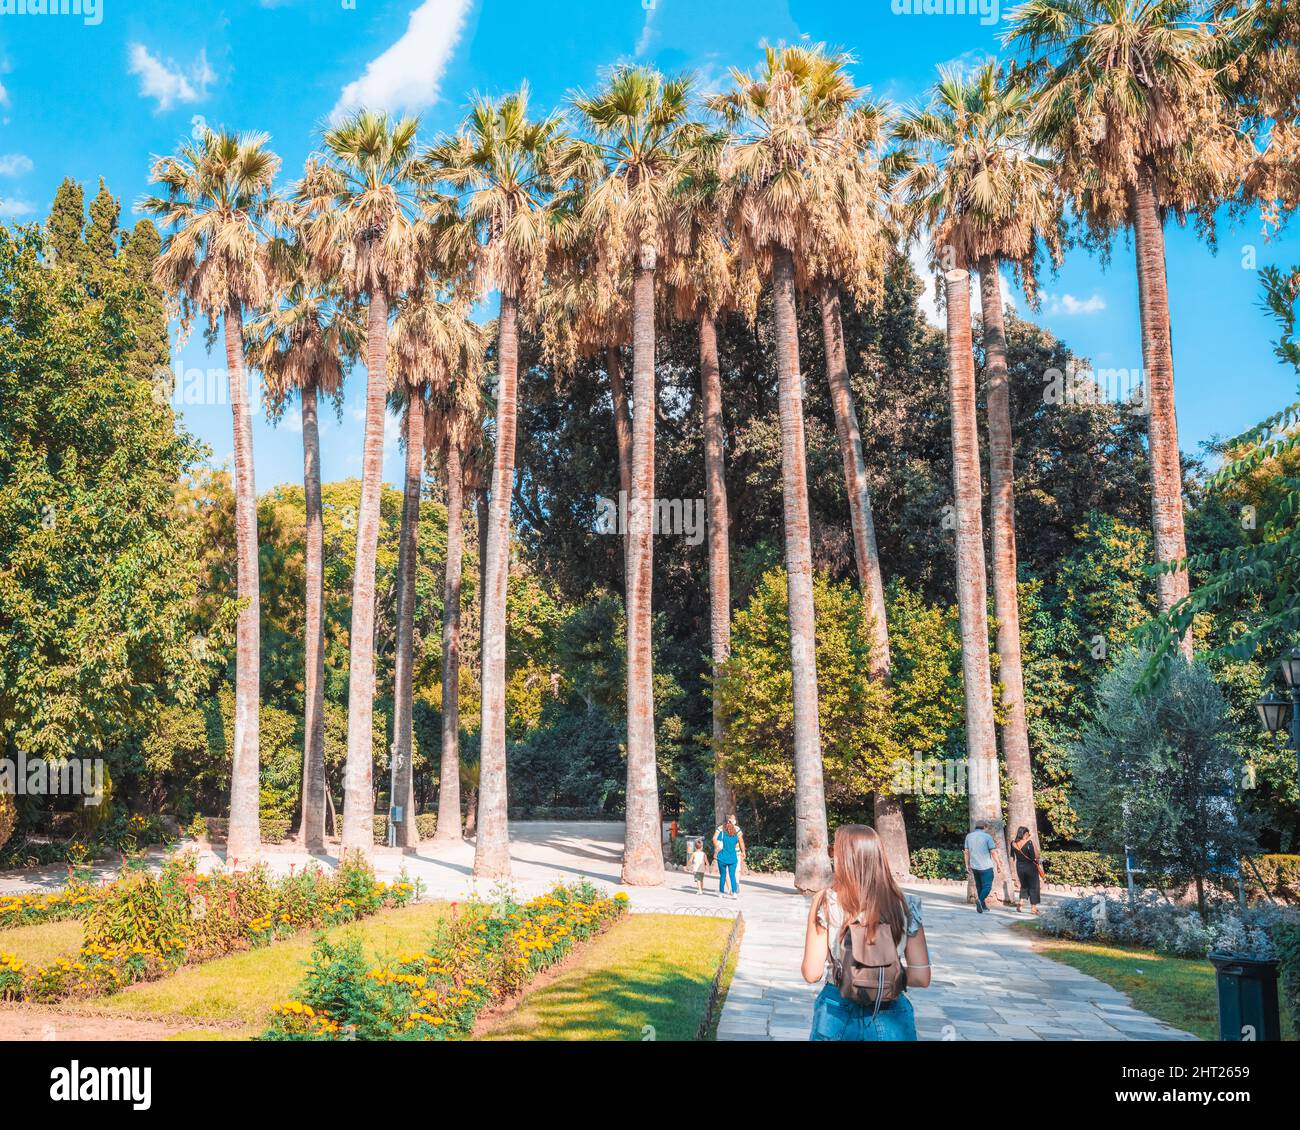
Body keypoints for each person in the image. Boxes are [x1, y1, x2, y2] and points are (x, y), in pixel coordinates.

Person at [801, 824, 931, 1041]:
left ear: (844, 859)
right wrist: (881, 975)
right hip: (891, 1010)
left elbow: (811, 973)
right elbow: (921, 977)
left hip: (837, 1009)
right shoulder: (906, 905)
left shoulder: (826, 901)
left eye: (835, 851)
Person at [963, 821, 1004, 913]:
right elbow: (993, 852)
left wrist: (967, 864)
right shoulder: (987, 837)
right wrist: (998, 864)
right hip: (986, 866)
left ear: (976, 827)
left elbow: (966, 852)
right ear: (984, 827)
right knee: (987, 886)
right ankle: (980, 900)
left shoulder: (969, 836)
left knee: (979, 886)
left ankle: (983, 906)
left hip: (974, 865)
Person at [1010, 826, 1044, 914]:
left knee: (1024, 885)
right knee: (1034, 886)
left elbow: (1012, 856)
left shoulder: (1013, 843)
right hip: (1030, 867)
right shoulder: (1029, 842)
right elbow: (1033, 857)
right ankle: (1033, 908)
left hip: (1019, 867)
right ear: (1025, 834)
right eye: (1028, 834)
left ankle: (1020, 903)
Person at [713, 816, 744, 899]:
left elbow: (716, 841)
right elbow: (740, 841)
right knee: (732, 876)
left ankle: (721, 893)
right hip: (733, 858)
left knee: (723, 876)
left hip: (722, 858)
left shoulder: (722, 835)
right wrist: (743, 851)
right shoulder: (735, 837)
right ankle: (734, 893)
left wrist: (717, 848)